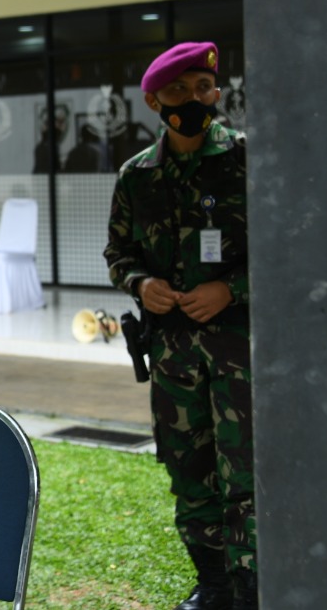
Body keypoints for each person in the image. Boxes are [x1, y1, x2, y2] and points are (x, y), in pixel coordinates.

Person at [104, 41, 257, 610]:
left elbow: (288, 252)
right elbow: (118, 254)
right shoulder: (137, 176)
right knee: (190, 470)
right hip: (172, 355)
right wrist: (142, 285)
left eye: (204, 89)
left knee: (245, 471)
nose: (195, 100)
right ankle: (214, 582)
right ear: (153, 101)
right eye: (179, 92)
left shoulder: (247, 159)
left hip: (240, 347)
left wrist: (230, 289)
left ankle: (251, 587)